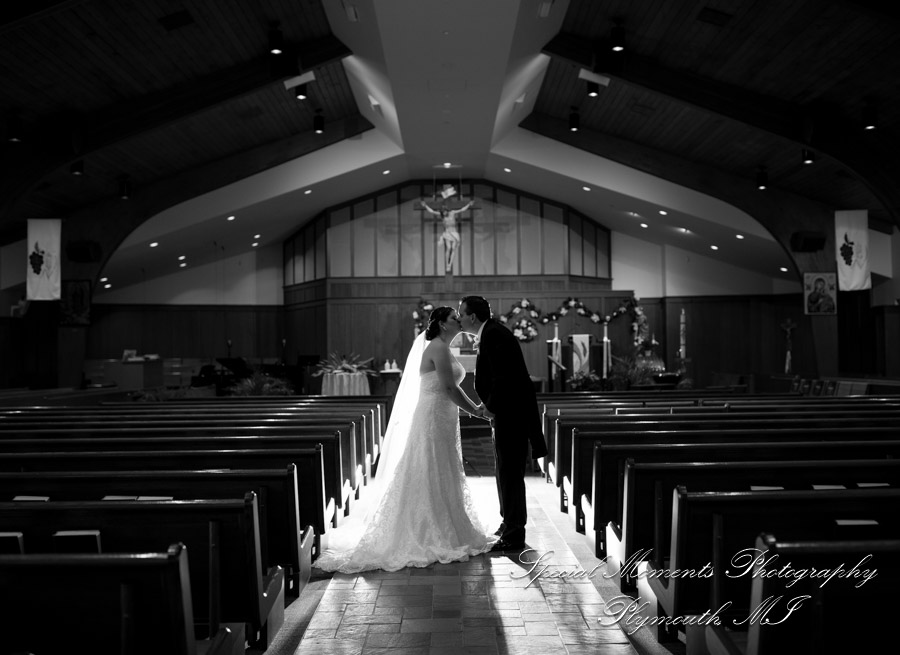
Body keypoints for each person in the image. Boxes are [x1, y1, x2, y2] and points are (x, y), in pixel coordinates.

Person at [312, 306, 496, 573]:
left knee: (442, 467)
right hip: (433, 415)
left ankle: (446, 522)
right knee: (429, 465)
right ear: (443, 325)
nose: (459, 320)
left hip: (442, 415)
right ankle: (427, 528)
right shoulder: (438, 348)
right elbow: (448, 387)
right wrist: (477, 411)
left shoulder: (440, 346)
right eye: (454, 318)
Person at [458, 295, 548, 552]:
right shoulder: (491, 332)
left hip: (512, 414)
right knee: (504, 471)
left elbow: (504, 377)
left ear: (472, 316)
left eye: (460, 313)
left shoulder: (495, 334)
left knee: (510, 474)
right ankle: (508, 522)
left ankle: (514, 533)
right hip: (507, 414)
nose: (459, 318)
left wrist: (489, 405)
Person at [421, 199, 475, 272]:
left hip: (454, 233)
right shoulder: (441, 215)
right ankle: (447, 264)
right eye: (443, 212)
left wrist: (469, 204)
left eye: (445, 211)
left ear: (447, 210)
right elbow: (432, 211)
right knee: (448, 248)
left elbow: (462, 210)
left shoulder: (452, 213)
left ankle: (450, 264)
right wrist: (425, 206)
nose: (444, 213)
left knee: (453, 248)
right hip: (447, 233)